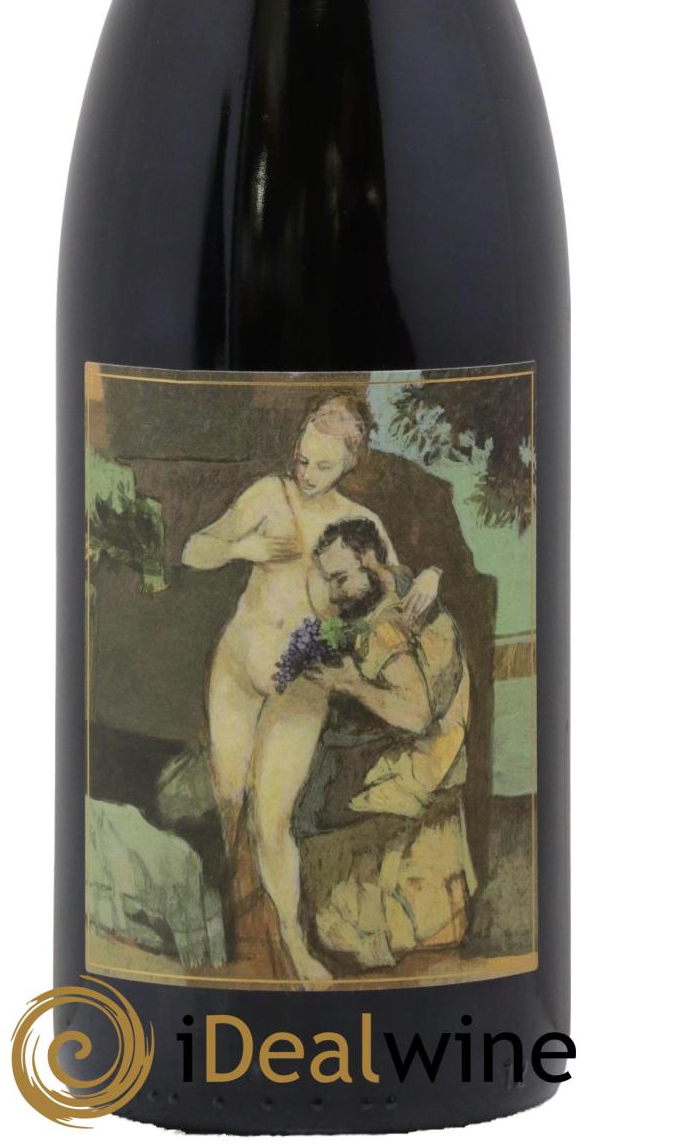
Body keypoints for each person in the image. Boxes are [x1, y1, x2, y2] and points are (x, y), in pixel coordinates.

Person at [181, 392, 436, 981]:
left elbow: (394, 588)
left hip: (303, 682)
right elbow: (195, 549)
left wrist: (430, 575)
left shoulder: (361, 523)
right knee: (228, 795)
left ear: (350, 463)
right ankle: (223, 910)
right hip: (238, 670)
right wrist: (241, 548)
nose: (308, 474)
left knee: (272, 819)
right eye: (302, 460)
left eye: (323, 466)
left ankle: (293, 943)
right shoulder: (267, 495)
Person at [300, 518, 477, 971]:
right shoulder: (401, 588)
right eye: (328, 581)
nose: (334, 593)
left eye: (340, 579)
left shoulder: (385, 627)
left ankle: (371, 935)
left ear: (368, 560)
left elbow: (415, 714)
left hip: (424, 759)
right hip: (445, 748)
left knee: (316, 810)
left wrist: (350, 684)